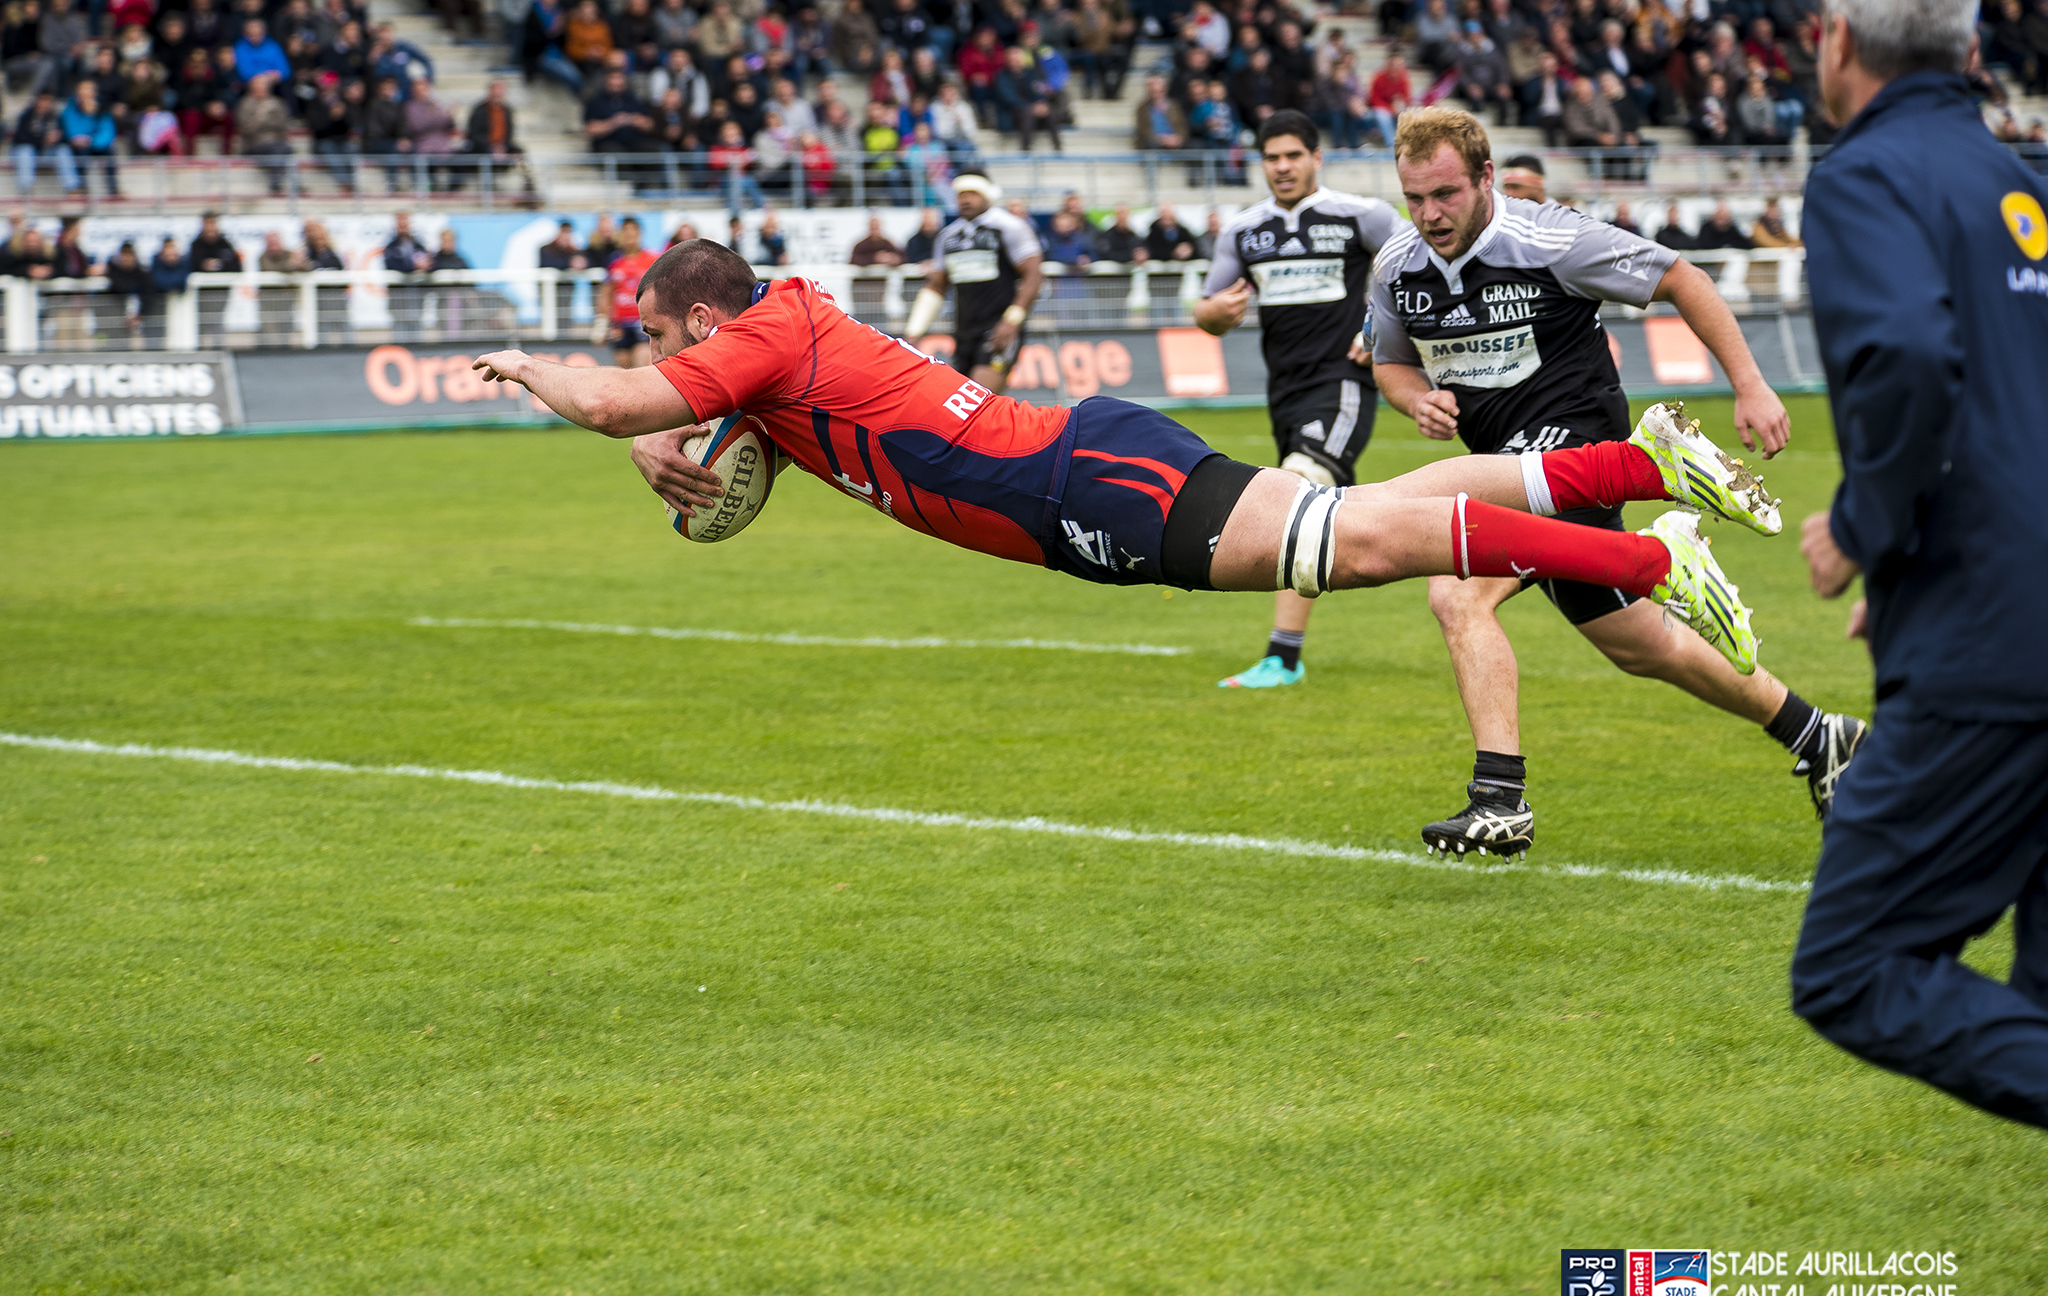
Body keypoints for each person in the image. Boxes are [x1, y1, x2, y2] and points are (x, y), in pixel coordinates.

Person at [470, 242, 1770, 720]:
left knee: (1370, 542)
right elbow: (699, 411)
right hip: (1083, 456)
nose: (644, 353)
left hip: (1079, 485)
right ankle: (1643, 464)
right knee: (1368, 524)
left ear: (697, 326)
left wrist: (531, 365)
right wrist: (668, 434)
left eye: (652, 333)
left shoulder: (753, 341)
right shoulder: (777, 341)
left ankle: (1653, 555)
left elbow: (613, 395)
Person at [1370, 107, 1864, 857]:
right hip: (1500, 458)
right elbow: (1390, 360)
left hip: (1577, 447)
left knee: (1457, 587)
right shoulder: (1398, 267)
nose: (1431, 215)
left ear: (1485, 177)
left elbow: (1682, 277)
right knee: (1641, 644)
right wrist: (1416, 398)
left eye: (1446, 194)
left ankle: (1499, 797)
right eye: (1416, 199)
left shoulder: (1550, 237)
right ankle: (1817, 732)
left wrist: (1751, 385)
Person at [1792, 0, 2048, 1130]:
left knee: (1849, 964)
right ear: (1973, 54)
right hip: (2002, 596)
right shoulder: (2016, 186)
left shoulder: (1864, 175)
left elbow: (1904, 354)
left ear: (1836, 40)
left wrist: (1863, 530)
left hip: (1993, 648)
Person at [1196, 111, 1401, 690]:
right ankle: (1420, 549)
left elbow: (1418, 271)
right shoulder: (1243, 231)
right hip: (1282, 391)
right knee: (1319, 513)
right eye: (1272, 158)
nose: (1282, 167)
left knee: (1294, 495)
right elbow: (1209, 307)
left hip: (1341, 385)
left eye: (1293, 155)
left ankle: (1282, 657)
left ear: (1316, 157)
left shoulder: (1362, 216)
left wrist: (1379, 327)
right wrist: (1211, 315)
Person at [905, 173, 1042, 394]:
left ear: (987, 195)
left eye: (972, 194)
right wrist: (913, 332)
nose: (965, 200)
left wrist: (1012, 321)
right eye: (961, 195)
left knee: (976, 399)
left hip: (998, 329)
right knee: (966, 411)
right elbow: (937, 286)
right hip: (963, 332)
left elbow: (1033, 276)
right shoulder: (948, 237)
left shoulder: (1009, 227)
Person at [604, 216, 659, 367]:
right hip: (620, 324)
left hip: (642, 323)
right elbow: (606, 294)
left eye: (632, 231)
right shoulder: (614, 262)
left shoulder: (652, 259)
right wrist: (603, 324)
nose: (629, 235)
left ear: (640, 233)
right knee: (623, 372)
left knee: (640, 366)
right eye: (625, 231)